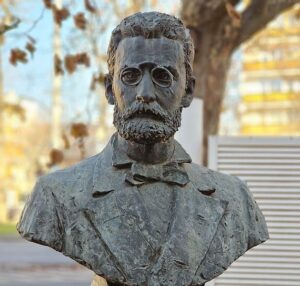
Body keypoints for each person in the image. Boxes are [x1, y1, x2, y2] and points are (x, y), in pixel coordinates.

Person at [17, 12, 268, 286]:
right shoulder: (55, 196)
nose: (144, 93)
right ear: (110, 89)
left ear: (187, 91)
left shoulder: (235, 200)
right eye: (130, 76)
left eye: (163, 76)